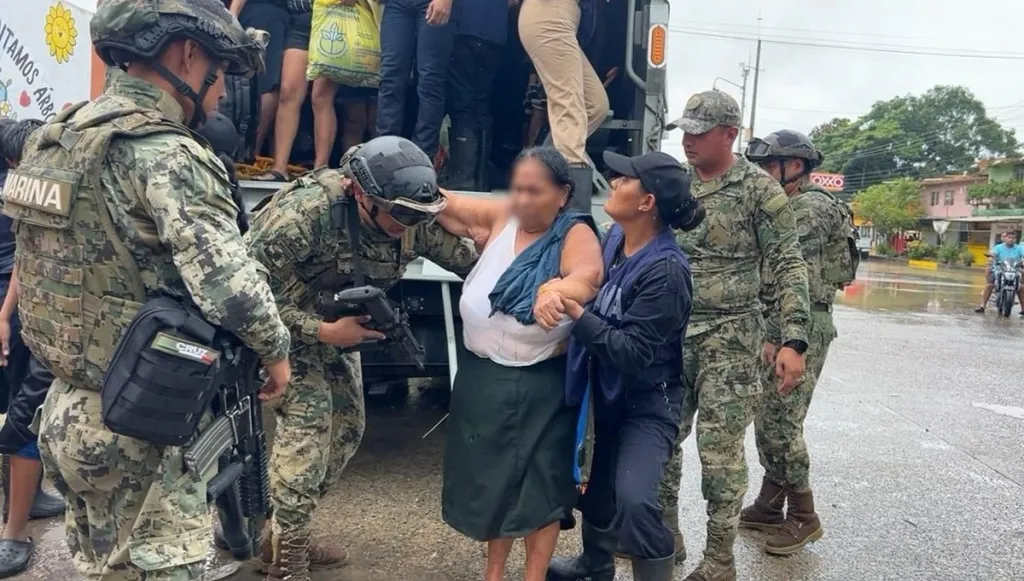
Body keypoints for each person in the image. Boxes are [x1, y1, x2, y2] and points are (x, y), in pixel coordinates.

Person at [3, 1, 294, 579]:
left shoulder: (56, 140)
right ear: (187, 55)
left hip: (66, 409)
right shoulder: (166, 153)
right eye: (219, 72)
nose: (221, 94)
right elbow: (230, 287)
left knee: (106, 568)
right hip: (142, 421)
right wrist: (276, 352)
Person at [243, 135, 478, 581]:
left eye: (418, 215)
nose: (408, 224)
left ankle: (283, 532)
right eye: (400, 214)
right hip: (281, 335)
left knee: (347, 430)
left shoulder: (410, 215)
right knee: (309, 435)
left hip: (338, 333)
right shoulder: (305, 215)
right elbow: (246, 296)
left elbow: (468, 261)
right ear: (359, 194)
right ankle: (289, 561)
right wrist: (321, 330)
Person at [656, 90, 810, 581]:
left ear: (729, 134)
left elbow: (789, 265)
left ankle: (719, 561)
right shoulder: (674, 184)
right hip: (671, 334)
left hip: (732, 338)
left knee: (719, 453)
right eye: (685, 132)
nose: (689, 141)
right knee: (660, 439)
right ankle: (663, 537)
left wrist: (794, 340)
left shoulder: (759, 190)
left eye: (699, 133)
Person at [437, 147, 604, 581]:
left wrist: (555, 291)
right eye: (518, 189)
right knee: (494, 485)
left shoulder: (575, 233)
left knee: (541, 490)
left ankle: (534, 577)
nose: (524, 200)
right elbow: (438, 202)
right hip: (483, 381)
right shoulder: (502, 216)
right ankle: (493, 574)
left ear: (562, 194)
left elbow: (587, 276)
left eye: (536, 191)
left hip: (542, 385)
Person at [547, 151, 704, 581]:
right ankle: (594, 566)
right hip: (605, 391)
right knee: (595, 488)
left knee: (635, 499)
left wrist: (576, 314)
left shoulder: (666, 271)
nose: (614, 182)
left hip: (647, 402)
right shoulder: (616, 236)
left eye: (625, 179)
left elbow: (632, 352)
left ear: (647, 202)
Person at [742, 130, 856, 555]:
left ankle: (804, 516)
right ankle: (771, 504)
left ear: (796, 167)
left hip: (800, 326)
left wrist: (782, 337)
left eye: (771, 166)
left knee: (781, 422)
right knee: (770, 416)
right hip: (784, 322)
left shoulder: (809, 209)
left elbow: (795, 281)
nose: (764, 174)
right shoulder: (791, 204)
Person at [0, 118, 64, 580]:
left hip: (23, 309)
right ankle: (12, 533)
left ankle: (26, 505)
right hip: (23, 309)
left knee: (23, 413)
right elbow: (25, 258)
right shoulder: (35, 190)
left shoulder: (31, 189)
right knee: (25, 415)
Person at [518, 0, 609, 210]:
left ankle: (542, 166)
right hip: (551, 16)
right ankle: (572, 208)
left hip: (564, 20)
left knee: (595, 105)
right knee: (569, 103)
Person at [375, 0, 455, 164]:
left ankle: (424, 156)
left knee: (430, 80)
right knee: (390, 75)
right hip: (396, 4)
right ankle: (385, 150)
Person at [443, 0, 509, 190]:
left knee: (462, 104)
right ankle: (479, 179)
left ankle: (463, 177)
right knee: (481, 104)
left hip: (465, 26)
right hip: (495, 31)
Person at [309, 0, 380, 169]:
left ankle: (380, 169)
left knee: (377, 115)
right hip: (343, 35)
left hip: (377, 26)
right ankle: (341, 169)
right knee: (353, 117)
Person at [253, 0, 314, 181]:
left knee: (322, 97)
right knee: (288, 91)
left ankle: (321, 168)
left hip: (334, 18)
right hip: (299, 19)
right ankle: (280, 168)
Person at [229, 0, 291, 157]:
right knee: (258, 81)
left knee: (264, 82)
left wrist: (233, 13)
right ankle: (249, 151)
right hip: (262, 14)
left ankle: (250, 152)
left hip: (262, 13)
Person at [974, 231, 1024, 315]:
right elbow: (993, 253)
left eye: (1013, 238)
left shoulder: (1019, 248)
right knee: (989, 285)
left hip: (1014, 270)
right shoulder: (998, 247)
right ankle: (982, 306)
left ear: (1016, 239)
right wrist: (991, 257)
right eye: (1009, 237)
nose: (1011, 239)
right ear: (1005, 238)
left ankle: (1023, 308)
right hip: (999, 269)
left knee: (1021, 287)